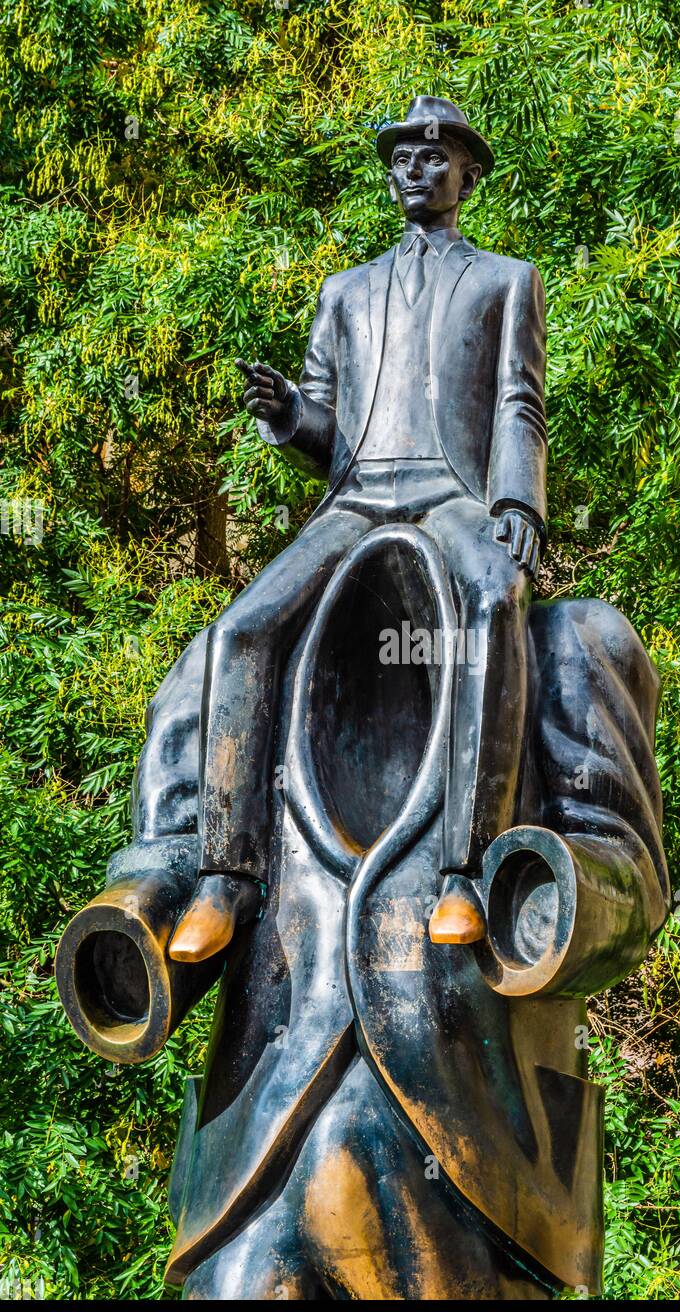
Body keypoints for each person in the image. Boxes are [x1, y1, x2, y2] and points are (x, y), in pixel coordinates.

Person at [168, 95, 547, 964]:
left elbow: (519, 404)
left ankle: (464, 871)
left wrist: (518, 504)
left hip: (452, 496)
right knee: (243, 626)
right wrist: (289, 413)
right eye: (401, 159)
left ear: (467, 175)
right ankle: (226, 880)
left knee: (496, 600)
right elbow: (325, 431)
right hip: (356, 497)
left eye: (433, 156)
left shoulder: (505, 281)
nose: (415, 170)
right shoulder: (345, 293)